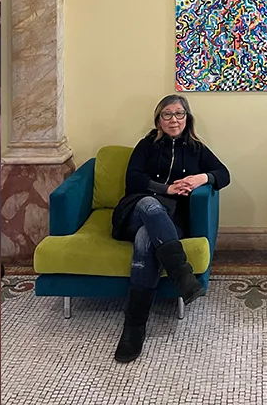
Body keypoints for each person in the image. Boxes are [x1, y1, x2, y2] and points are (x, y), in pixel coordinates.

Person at [110, 94, 230, 363]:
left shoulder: (197, 149)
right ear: (158, 120)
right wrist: (167, 189)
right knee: (150, 205)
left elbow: (224, 174)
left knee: (146, 238)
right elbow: (133, 179)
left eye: (179, 114)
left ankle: (134, 326)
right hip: (135, 210)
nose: (173, 120)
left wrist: (202, 178)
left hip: (170, 220)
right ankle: (182, 274)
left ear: (187, 118)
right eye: (167, 114)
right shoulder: (146, 145)